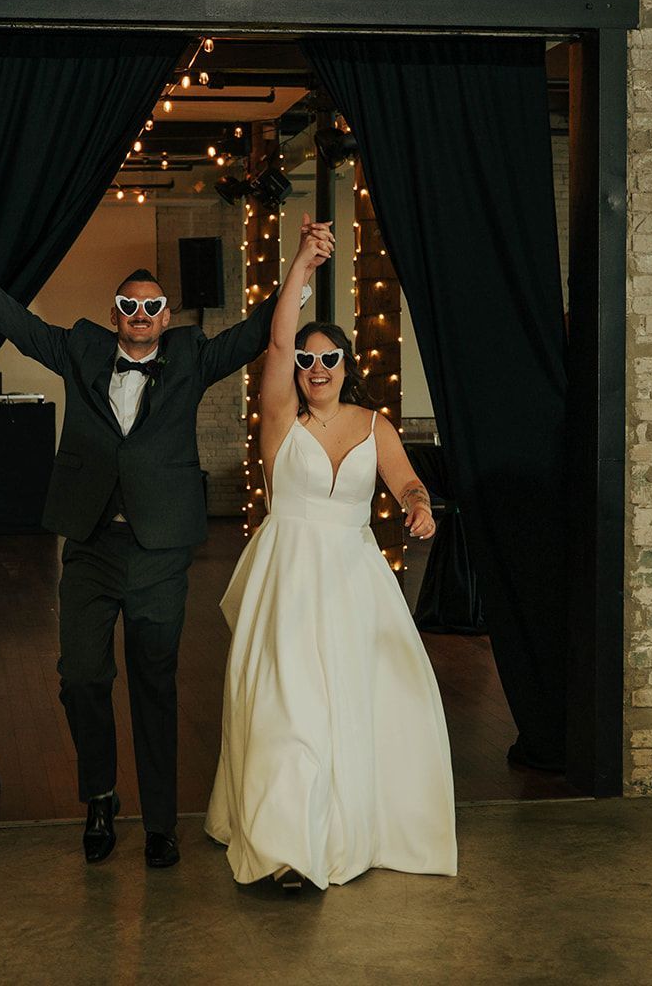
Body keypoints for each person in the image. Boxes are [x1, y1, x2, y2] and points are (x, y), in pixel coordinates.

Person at [0, 192, 330, 869]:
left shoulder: (190, 356)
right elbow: (7, 314)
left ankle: (159, 824)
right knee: (81, 677)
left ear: (165, 315)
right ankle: (99, 799)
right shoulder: (80, 349)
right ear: (116, 313)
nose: (143, 317)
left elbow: (261, 330)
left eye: (154, 307)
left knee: (155, 680)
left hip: (161, 549)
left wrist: (301, 263)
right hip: (91, 544)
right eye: (131, 306)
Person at [204, 218, 458, 892]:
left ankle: (344, 826)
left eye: (328, 360)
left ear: (348, 367)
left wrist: (417, 502)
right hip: (287, 573)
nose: (314, 368)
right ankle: (288, 850)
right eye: (306, 360)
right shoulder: (280, 416)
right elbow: (279, 336)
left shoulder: (374, 425)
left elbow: (404, 478)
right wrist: (300, 267)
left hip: (351, 577)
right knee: (288, 707)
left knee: (352, 701)